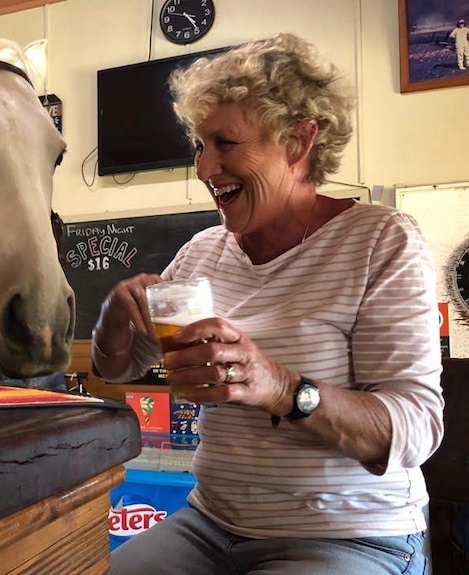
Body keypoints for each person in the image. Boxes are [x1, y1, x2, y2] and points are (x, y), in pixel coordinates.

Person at [92, 33, 443, 575]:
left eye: (226, 143)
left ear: (299, 142)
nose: (205, 169)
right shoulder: (201, 252)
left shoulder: (380, 240)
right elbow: (118, 367)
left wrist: (280, 387)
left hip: (348, 536)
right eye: (200, 147)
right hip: (210, 525)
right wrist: (115, 315)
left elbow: (416, 428)